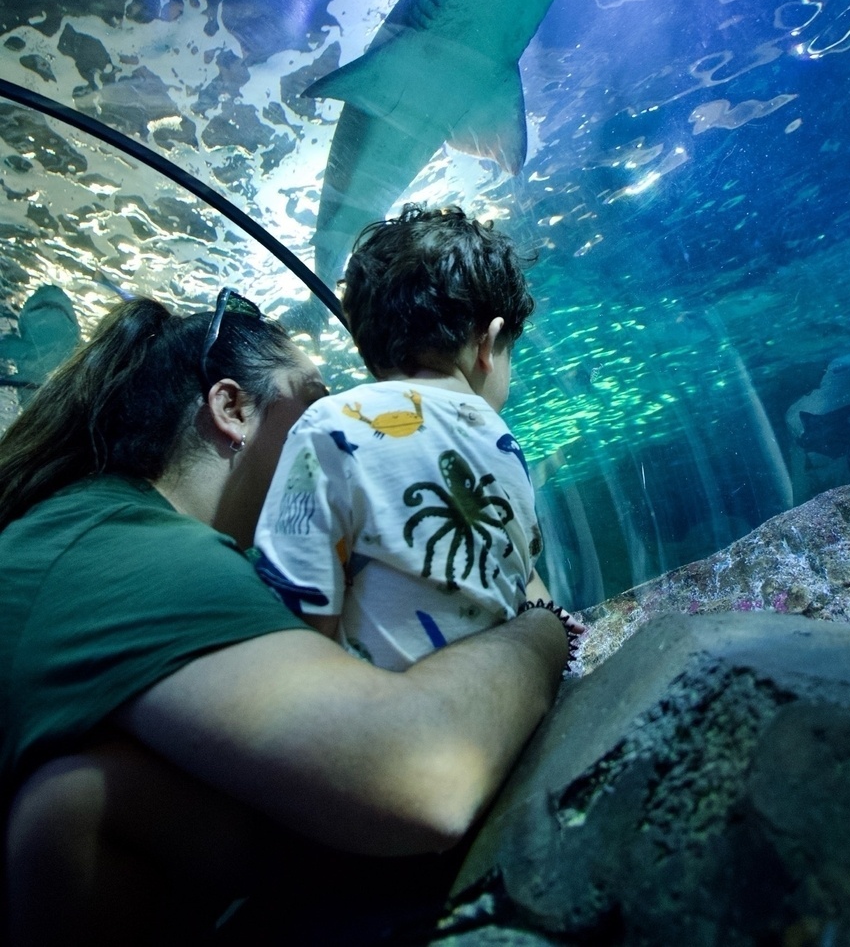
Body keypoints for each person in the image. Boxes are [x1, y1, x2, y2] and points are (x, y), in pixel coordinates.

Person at [0, 290, 571, 945]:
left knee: (84, 797)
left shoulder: (93, 527)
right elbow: (426, 771)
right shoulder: (137, 554)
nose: (336, 412)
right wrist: (542, 622)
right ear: (233, 408)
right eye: (314, 394)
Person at [254, 205, 569, 669]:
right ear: (489, 342)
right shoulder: (503, 445)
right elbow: (516, 583)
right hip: (507, 687)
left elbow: (298, 617)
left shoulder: (329, 424)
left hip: (389, 712)